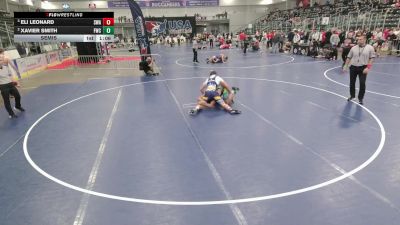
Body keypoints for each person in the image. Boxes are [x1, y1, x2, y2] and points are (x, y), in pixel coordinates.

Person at [343, 35, 375, 105]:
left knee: (362, 83)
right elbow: (348, 57)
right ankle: (352, 96)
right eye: (358, 39)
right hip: (353, 67)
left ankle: (360, 98)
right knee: (352, 83)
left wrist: (368, 68)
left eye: (360, 39)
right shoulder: (353, 48)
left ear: (364, 40)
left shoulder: (370, 48)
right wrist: (345, 65)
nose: (358, 41)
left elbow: (372, 58)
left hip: (363, 67)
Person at [0, 48, 24, 118]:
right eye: (0, 59)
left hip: (10, 84)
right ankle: (11, 114)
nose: (2, 60)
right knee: (7, 101)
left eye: (2, 58)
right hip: (3, 86)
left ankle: (17, 106)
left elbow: (11, 76)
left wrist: (16, 83)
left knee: (18, 96)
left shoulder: (6, 67)